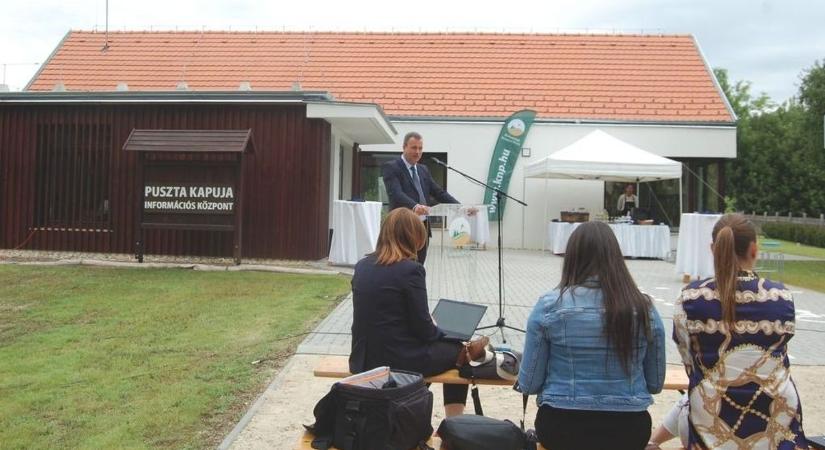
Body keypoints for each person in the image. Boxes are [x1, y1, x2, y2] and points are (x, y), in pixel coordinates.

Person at [518, 221, 666, 450]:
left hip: (561, 426)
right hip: (628, 428)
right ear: (616, 257)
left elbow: (529, 383)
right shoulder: (643, 307)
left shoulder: (550, 305)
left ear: (572, 257)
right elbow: (655, 383)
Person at [672, 213, 808, 449]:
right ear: (754, 250)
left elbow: (690, 363)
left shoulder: (690, 297)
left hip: (710, 420)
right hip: (776, 416)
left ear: (713, 249)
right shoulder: (781, 297)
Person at [348, 208, 488, 417]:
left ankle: (417, 402)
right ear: (414, 237)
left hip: (363, 357)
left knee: (447, 351)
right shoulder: (411, 270)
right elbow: (424, 331)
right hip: (397, 358)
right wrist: (439, 330)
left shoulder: (362, 266)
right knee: (460, 352)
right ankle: (454, 422)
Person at [382, 131, 459, 264]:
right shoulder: (392, 167)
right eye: (414, 148)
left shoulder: (423, 169)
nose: (417, 152)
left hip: (422, 227)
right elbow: (396, 193)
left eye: (420, 148)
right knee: (401, 266)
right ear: (404, 147)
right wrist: (415, 206)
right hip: (402, 226)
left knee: (419, 266)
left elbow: (438, 192)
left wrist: (459, 207)